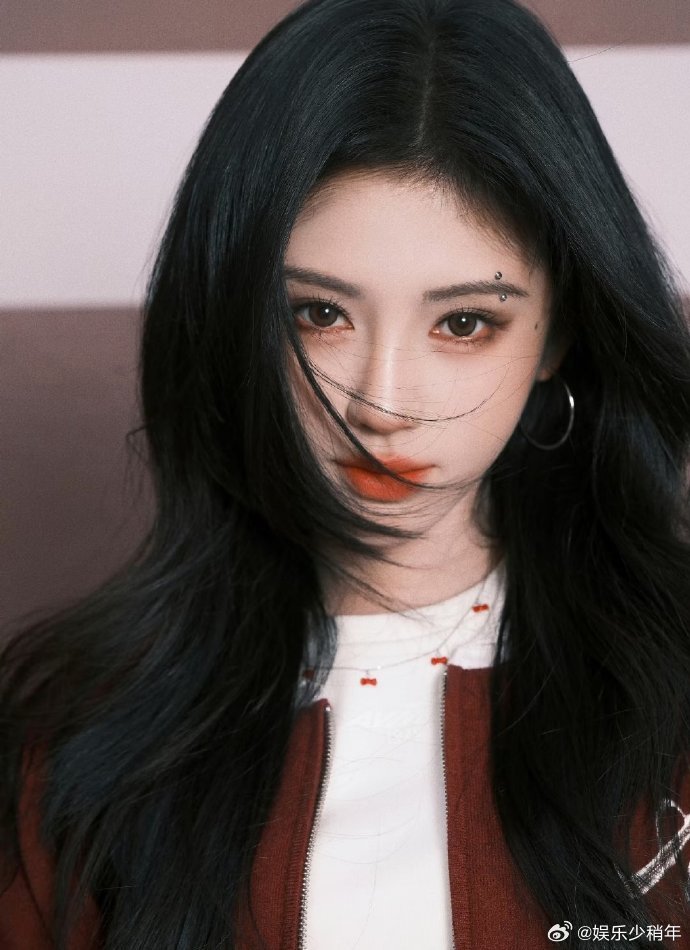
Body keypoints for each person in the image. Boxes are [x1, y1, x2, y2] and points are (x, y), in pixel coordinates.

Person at [1, 0, 689, 947]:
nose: (383, 404)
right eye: (320, 315)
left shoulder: (672, 688)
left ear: (556, 336)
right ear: (237, 317)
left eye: (464, 323)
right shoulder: (73, 737)